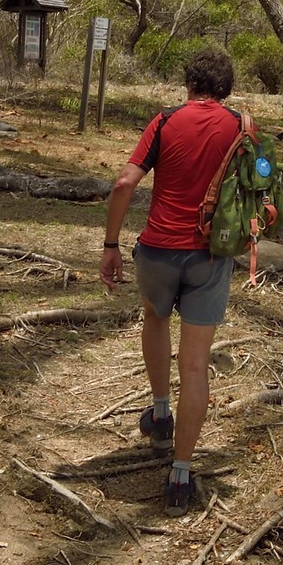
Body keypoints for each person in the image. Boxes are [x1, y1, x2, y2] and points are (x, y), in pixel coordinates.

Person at [100, 47, 245, 513]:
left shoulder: (164, 122)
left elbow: (124, 183)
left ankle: (161, 416)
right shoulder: (242, 127)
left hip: (159, 250)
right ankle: (180, 475)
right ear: (226, 88)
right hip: (210, 254)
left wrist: (110, 244)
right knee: (197, 365)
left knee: (155, 317)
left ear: (190, 84)